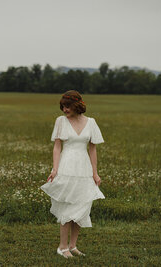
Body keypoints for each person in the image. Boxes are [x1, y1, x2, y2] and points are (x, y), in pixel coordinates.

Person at [40, 90, 105, 259]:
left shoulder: (91, 122)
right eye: (63, 106)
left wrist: (95, 173)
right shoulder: (60, 121)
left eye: (67, 106)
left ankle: (73, 245)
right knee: (67, 208)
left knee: (81, 208)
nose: (64, 110)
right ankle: (62, 248)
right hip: (66, 167)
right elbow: (57, 147)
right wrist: (55, 169)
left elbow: (92, 149)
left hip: (83, 169)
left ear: (77, 105)